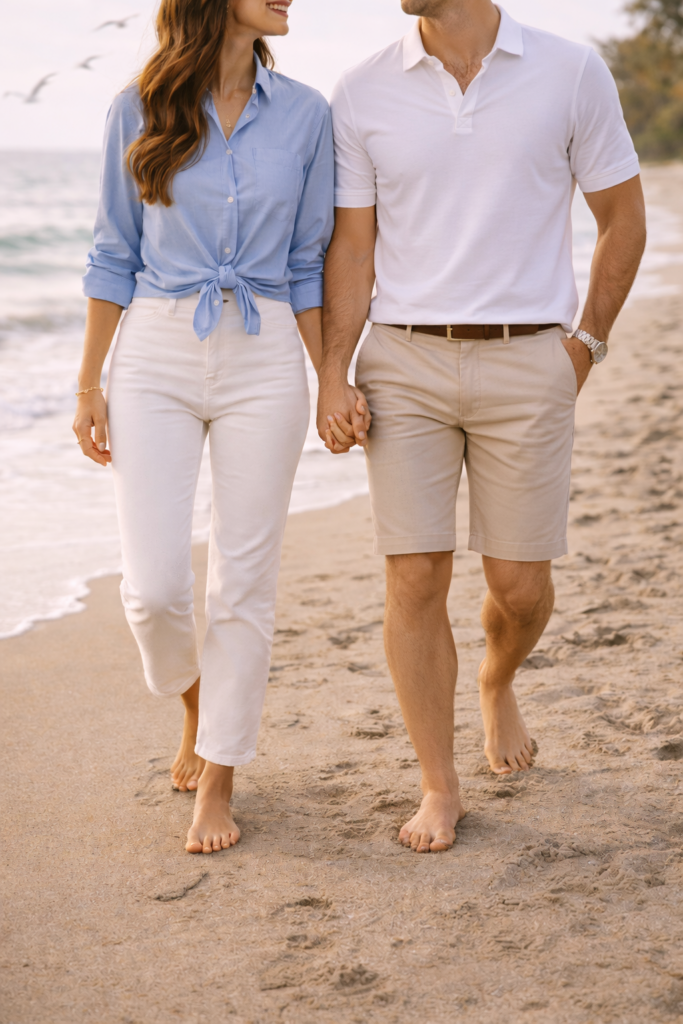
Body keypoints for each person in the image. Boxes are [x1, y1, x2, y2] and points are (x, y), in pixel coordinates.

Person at [318, 0, 647, 853]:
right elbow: (352, 247)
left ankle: (496, 680)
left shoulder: (569, 71)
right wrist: (333, 372)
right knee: (414, 577)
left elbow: (622, 217)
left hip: (529, 357)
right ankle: (439, 785)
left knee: (520, 588)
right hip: (402, 360)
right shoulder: (361, 89)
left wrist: (583, 347)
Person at [74, 0, 369, 855]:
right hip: (155, 349)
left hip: (266, 346)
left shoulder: (307, 114)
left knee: (242, 583)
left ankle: (220, 774)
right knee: (153, 590)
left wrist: (330, 377)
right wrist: (88, 383)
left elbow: (308, 259)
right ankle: (198, 706)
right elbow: (112, 253)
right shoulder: (137, 107)